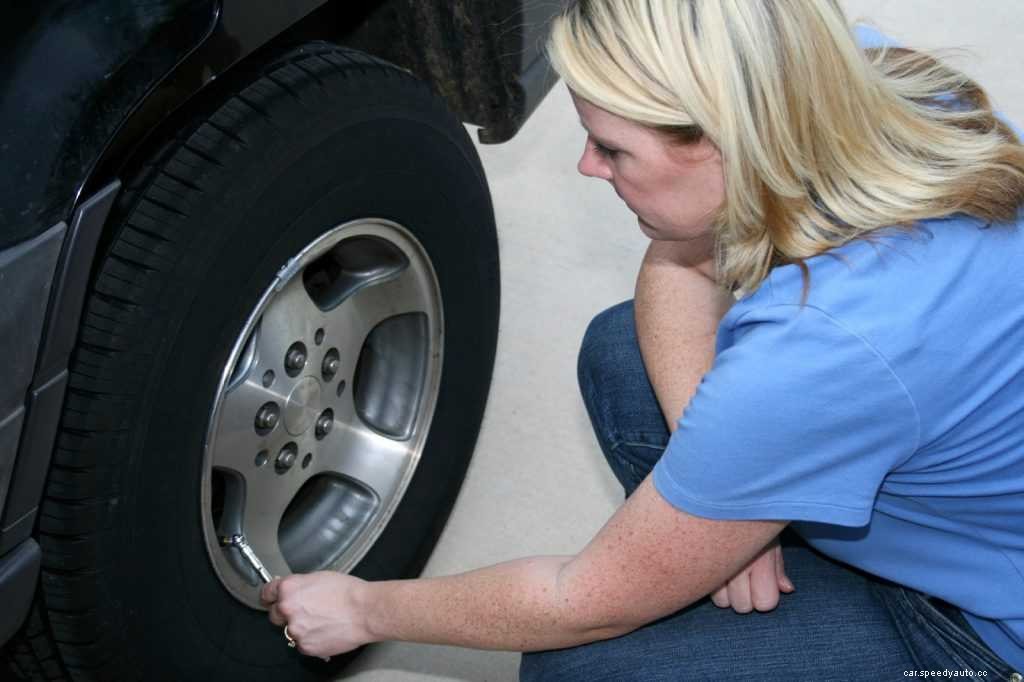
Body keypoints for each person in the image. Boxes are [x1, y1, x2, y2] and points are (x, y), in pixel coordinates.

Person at [260, 1, 1024, 678]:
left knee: (587, 667)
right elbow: (677, 259)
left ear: (726, 144)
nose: (588, 166)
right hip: (941, 469)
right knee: (624, 348)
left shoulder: (824, 351)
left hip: (991, 628)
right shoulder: (874, 84)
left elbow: (579, 600)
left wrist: (364, 610)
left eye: (615, 149)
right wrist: (736, 505)